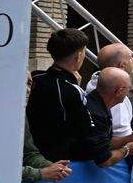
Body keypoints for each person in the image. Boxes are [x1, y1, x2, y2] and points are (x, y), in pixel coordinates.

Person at [26, 28, 95, 165]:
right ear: (79, 56)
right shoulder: (71, 89)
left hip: (29, 153)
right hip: (59, 163)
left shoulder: (34, 77)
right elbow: (86, 132)